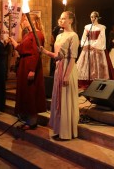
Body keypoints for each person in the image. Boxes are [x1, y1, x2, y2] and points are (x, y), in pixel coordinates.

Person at [40, 11, 80, 140]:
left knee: (66, 100)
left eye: (64, 18)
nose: (60, 20)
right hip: (59, 68)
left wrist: (67, 76)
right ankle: (59, 130)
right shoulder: (59, 36)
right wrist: (45, 51)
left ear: (70, 21)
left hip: (68, 69)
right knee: (58, 99)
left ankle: (67, 132)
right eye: (60, 18)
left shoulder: (74, 36)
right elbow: (57, 56)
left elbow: (73, 57)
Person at [9, 14, 46, 129]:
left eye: (25, 20)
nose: (23, 22)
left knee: (31, 92)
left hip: (31, 64)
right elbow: (20, 49)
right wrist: (13, 42)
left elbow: (36, 52)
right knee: (25, 92)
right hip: (24, 64)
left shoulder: (37, 34)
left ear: (32, 21)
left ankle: (32, 122)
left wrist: (32, 70)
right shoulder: (27, 34)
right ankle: (28, 120)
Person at [76, 11, 114, 90]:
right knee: (86, 66)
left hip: (97, 48)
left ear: (97, 17)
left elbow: (102, 38)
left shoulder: (101, 27)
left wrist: (94, 45)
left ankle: (97, 82)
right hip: (88, 48)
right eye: (91, 17)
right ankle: (86, 82)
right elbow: (84, 37)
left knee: (96, 66)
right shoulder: (87, 27)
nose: (92, 18)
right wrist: (87, 44)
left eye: (94, 17)